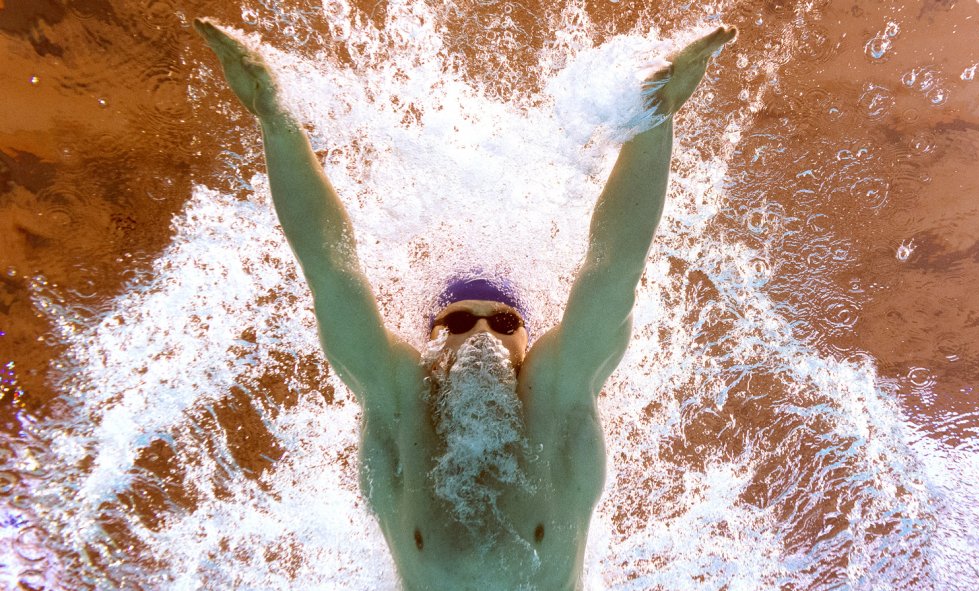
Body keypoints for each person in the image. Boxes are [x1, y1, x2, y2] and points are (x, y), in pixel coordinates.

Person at [194, 17, 736, 590]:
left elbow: (614, 270)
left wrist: (654, 122)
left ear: (528, 342)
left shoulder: (555, 398)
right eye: (456, 320)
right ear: (431, 338)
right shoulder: (399, 403)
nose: (481, 332)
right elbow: (331, 272)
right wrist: (278, 124)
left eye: (504, 321)